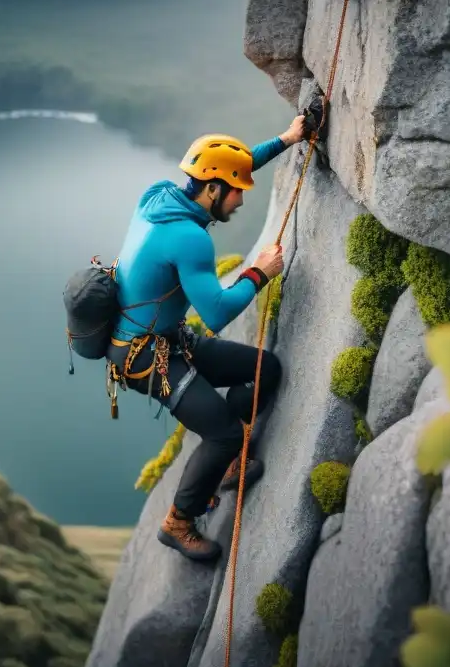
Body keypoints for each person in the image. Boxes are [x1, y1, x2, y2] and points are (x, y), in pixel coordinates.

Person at [105, 115, 307, 562]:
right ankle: (178, 522)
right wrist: (259, 272)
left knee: (264, 369)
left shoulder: (159, 196)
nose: (239, 200)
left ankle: (230, 460)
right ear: (213, 190)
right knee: (223, 434)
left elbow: (228, 165)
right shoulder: (191, 240)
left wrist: (286, 140)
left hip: (167, 339)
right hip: (142, 358)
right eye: (236, 191)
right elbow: (215, 314)